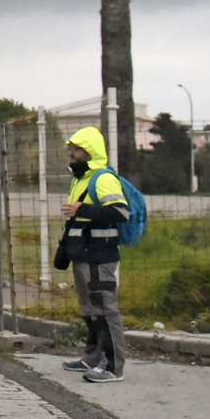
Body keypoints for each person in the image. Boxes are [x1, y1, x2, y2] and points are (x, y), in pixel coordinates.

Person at [56, 126, 131, 383]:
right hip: (83, 254)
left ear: (89, 152)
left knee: (105, 309)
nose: (71, 154)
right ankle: (92, 357)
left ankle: (112, 367)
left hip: (100, 256)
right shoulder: (81, 180)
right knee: (90, 309)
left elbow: (120, 213)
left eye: (76, 150)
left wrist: (82, 209)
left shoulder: (103, 178)